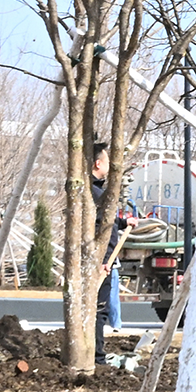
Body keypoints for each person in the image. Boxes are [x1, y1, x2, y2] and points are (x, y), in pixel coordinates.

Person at [89, 143, 124, 368]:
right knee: (99, 311)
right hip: (101, 262)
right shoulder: (93, 194)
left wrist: (123, 222)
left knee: (100, 310)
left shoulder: (96, 193)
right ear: (97, 163)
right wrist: (101, 261)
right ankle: (97, 358)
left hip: (104, 259)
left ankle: (96, 355)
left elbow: (107, 220)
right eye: (107, 161)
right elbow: (95, 226)